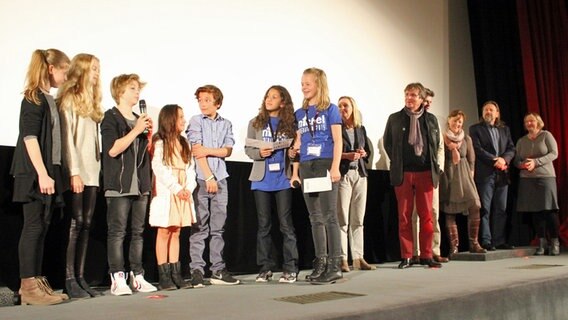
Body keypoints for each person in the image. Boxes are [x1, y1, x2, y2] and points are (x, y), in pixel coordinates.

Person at [10, 49, 70, 305]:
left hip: (47, 171)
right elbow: (30, 137)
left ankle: (36, 281)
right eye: (64, 70)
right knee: (33, 226)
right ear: (50, 68)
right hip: (33, 173)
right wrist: (43, 174)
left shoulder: (49, 99)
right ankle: (28, 286)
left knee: (42, 227)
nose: (66, 76)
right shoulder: (33, 97)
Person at [101, 74, 157, 295]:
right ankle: (117, 277)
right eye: (132, 88)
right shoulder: (110, 117)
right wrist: (135, 130)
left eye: (138, 89)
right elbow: (113, 149)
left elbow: (143, 154)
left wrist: (147, 136)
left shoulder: (139, 119)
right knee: (117, 232)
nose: (137, 93)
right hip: (119, 185)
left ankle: (138, 275)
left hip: (140, 184)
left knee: (138, 232)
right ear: (120, 92)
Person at [289, 67, 343, 284]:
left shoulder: (331, 109)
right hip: (307, 166)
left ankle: (335, 264)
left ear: (319, 84)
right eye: (302, 83)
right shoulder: (300, 114)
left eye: (307, 83)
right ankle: (320, 262)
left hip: (325, 163)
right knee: (314, 218)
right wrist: (294, 150)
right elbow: (299, 140)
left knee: (330, 215)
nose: (303, 87)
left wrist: (336, 166)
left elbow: (338, 140)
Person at [56, 53, 104, 298]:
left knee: (86, 224)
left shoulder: (92, 102)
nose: (97, 73)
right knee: (75, 225)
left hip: (92, 172)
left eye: (98, 68)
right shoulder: (69, 99)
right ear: (82, 70)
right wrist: (74, 172)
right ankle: (68, 278)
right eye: (93, 68)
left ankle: (81, 275)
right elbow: (67, 142)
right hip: (78, 171)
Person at [383, 82, 443, 269]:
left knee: (427, 217)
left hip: (425, 173)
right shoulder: (395, 118)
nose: (409, 98)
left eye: (414, 95)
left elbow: (436, 145)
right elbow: (388, 144)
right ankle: (407, 256)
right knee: (404, 216)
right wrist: (399, 161)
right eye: (407, 94)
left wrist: (437, 167)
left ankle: (426, 255)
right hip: (404, 173)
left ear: (422, 99)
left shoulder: (431, 120)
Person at [186, 85, 240, 287]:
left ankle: (217, 269)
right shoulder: (195, 121)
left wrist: (209, 150)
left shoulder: (226, 123)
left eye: (207, 100)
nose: (202, 103)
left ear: (217, 102)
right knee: (200, 227)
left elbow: (227, 151)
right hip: (202, 179)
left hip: (221, 178)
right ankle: (197, 271)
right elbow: (196, 151)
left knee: (218, 228)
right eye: (200, 100)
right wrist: (208, 177)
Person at [245, 85, 299, 283]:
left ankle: (291, 267)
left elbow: (296, 150)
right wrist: (260, 153)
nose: (269, 99)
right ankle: (265, 268)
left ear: (282, 102)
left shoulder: (291, 124)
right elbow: (248, 149)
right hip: (261, 180)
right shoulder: (255, 123)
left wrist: (293, 153)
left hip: (283, 179)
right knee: (263, 226)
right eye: (267, 96)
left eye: (274, 97)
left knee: (286, 225)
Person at [149, 105, 195, 290]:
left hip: (183, 191)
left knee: (176, 231)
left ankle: (176, 274)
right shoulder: (160, 141)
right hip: (169, 191)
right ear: (169, 119)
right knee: (164, 231)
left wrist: (188, 188)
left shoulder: (185, 142)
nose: (183, 120)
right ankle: (164, 275)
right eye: (180, 117)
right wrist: (176, 188)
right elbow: (158, 168)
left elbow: (190, 168)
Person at [469, 101, 516, 251]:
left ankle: (499, 240)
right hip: (485, 174)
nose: (488, 112)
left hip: (502, 173)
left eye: (491, 110)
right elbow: (477, 149)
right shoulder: (475, 129)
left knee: (501, 208)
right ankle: (486, 240)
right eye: (485, 110)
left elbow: (511, 148)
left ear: (497, 113)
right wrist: (495, 160)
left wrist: (504, 159)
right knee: (485, 209)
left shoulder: (504, 129)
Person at [439, 110, 486, 258]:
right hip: (449, 175)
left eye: (460, 121)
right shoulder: (443, 137)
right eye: (455, 120)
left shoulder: (466, 138)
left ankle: (474, 243)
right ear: (449, 121)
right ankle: (454, 247)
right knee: (450, 211)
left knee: (475, 206)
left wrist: (471, 174)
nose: (457, 124)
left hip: (465, 174)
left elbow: (472, 159)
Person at [336, 96, 375, 272]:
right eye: (339, 106)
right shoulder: (336, 128)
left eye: (345, 105)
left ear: (353, 108)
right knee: (342, 219)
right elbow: (332, 151)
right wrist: (346, 156)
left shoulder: (361, 129)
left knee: (358, 219)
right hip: (343, 175)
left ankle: (358, 258)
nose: (342, 109)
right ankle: (342, 259)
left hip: (360, 174)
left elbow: (365, 150)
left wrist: (362, 153)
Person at [513, 113, 559, 255]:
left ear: (538, 122)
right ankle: (541, 242)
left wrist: (536, 162)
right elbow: (516, 160)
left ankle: (555, 242)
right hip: (527, 179)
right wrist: (522, 165)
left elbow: (554, 153)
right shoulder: (521, 141)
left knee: (549, 210)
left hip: (545, 177)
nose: (529, 124)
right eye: (526, 121)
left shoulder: (546, 136)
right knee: (536, 212)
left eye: (531, 121)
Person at [410, 88, 447, 263]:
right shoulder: (409, 119)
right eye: (427, 101)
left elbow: (440, 147)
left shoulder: (433, 121)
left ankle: (434, 250)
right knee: (416, 213)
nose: (428, 105)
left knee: (433, 212)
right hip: (414, 173)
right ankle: (417, 252)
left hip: (432, 173)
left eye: (431, 102)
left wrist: (438, 168)